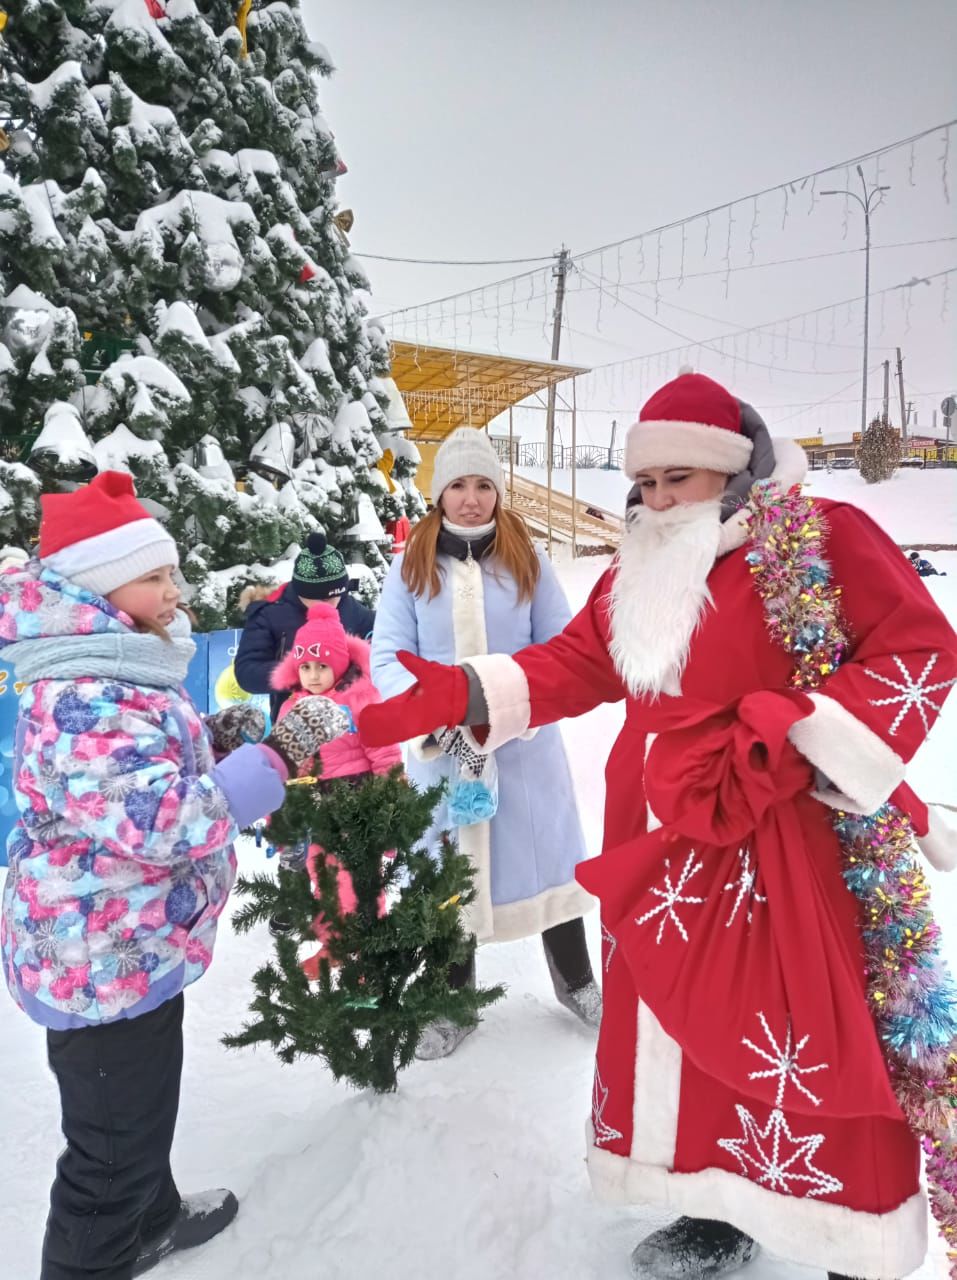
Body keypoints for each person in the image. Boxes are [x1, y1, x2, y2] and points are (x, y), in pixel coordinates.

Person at [358, 373, 957, 1280]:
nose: (657, 498)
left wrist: (799, 742)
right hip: (665, 846)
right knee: (682, 1027)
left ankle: (849, 1233)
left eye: (678, 478)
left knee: (809, 1028)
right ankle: (715, 1203)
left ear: (732, 472)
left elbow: (916, 648)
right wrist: (471, 690)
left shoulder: (818, 538)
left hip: (785, 837)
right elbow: (574, 661)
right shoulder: (637, 564)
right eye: (644, 483)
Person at [0, 472, 348, 1280]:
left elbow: (148, 771)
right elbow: (161, 821)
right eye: (154, 575)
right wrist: (278, 757)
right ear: (95, 585)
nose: (174, 589)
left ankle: (152, 1218)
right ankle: (93, 1259)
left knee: (140, 1112)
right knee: (107, 1156)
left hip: (131, 943)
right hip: (98, 958)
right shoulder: (85, 690)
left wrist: (216, 743)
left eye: (170, 572)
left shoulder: (112, 662)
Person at [370, 426, 600, 1060]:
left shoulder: (527, 557)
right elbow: (388, 654)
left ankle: (577, 983)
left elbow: (562, 646)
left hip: (523, 745)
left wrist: (518, 705)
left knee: (549, 864)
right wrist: (429, 717)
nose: (471, 499)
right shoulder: (411, 564)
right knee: (449, 875)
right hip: (443, 753)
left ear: (498, 492)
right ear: (438, 493)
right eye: (457, 486)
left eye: (482, 486)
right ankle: (451, 1003)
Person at [269, 601, 402, 965]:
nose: (312, 675)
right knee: (322, 876)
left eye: (322, 666)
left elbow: (385, 755)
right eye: (305, 666)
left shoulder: (360, 700)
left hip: (355, 802)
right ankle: (335, 945)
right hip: (314, 807)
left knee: (357, 878)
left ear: (340, 664)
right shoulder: (292, 706)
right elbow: (283, 761)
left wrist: (390, 804)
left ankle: (368, 951)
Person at [235, 530, 376, 722]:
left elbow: (381, 648)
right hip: (294, 725)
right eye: (318, 598)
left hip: (347, 724)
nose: (328, 604)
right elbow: (246, 673)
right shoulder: (271, 613)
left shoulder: (351, 609)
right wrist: (301, 671)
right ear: (300, 591)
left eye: (334, 596)